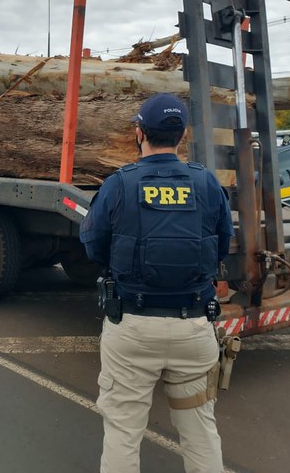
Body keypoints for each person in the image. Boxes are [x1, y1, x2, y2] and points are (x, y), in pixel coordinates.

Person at [79, 93, 234, 473]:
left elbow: (93, 245)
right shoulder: (206, 183)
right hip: (194, 327)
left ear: (139, 133)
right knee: (201, 435)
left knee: (123, 432)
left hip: (132, 327)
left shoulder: (119, 184)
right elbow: (222, 244)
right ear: (183, 136)